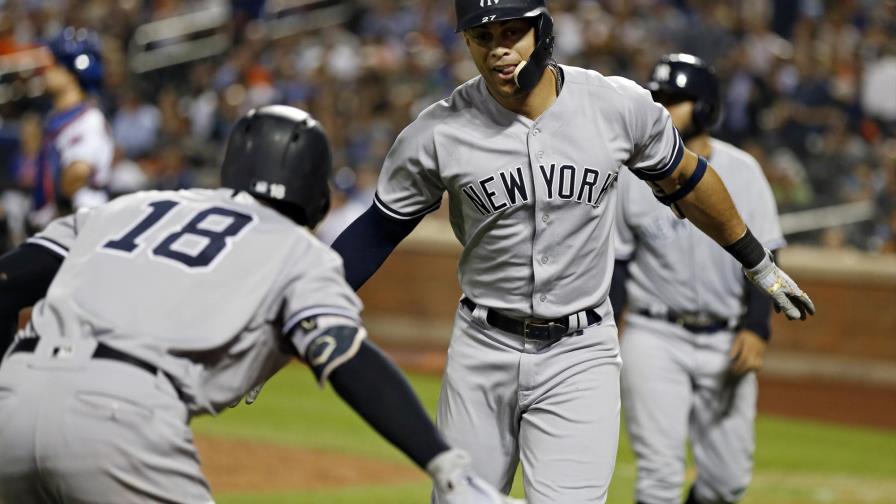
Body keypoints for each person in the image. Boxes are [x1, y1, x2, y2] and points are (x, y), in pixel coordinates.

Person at [329, 2, 815, 503]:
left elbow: (687, 180)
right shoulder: (437, 131)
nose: (498, 49)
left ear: (543, 30)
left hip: (580, 352)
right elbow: (376, 232)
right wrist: (296, 317)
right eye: (481, 36)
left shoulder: (614, 105)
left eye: (512, 31)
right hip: (482, 346)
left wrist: (757, 261)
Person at [0, 105, 520, 504]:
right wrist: (445, 466)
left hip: (12, 400)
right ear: (315, 188)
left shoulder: (129, 207)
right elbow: (344, 356)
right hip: (122, 419)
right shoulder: (297, 251)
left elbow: (6, 282)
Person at [610, 54, 785, 504]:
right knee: (659, 478)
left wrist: (757, 327)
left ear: (705, 106)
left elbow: (767, 253)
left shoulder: (743, 170)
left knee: (726, 484)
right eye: (658, 98)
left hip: (725, 338)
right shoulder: (630, 175)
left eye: (676, 100)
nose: (663, 108)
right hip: (654, 334)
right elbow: (619, 266)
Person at [29, 26, 114, 230]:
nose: (46, 71)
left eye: (54, 64)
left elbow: (76, 175)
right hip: (57, 223)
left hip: (81, 223)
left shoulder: (88, 119)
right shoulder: (55, 117)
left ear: (72, 74)